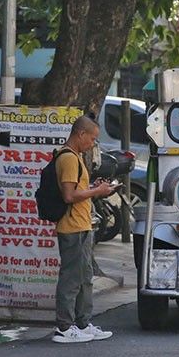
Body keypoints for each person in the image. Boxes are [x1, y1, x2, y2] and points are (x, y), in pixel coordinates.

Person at [51, 115, 115, 343]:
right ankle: (65, 327)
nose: (93, 144)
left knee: (85, 276)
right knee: (71, 278)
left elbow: (78, 190)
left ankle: (82, 322)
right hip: (72, 227)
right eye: (92, 138)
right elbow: (69, 195)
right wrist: (96, 192)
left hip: (82, 223)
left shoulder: (76, 157)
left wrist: (93, 188)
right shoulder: (68, 158)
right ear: (81, 134)